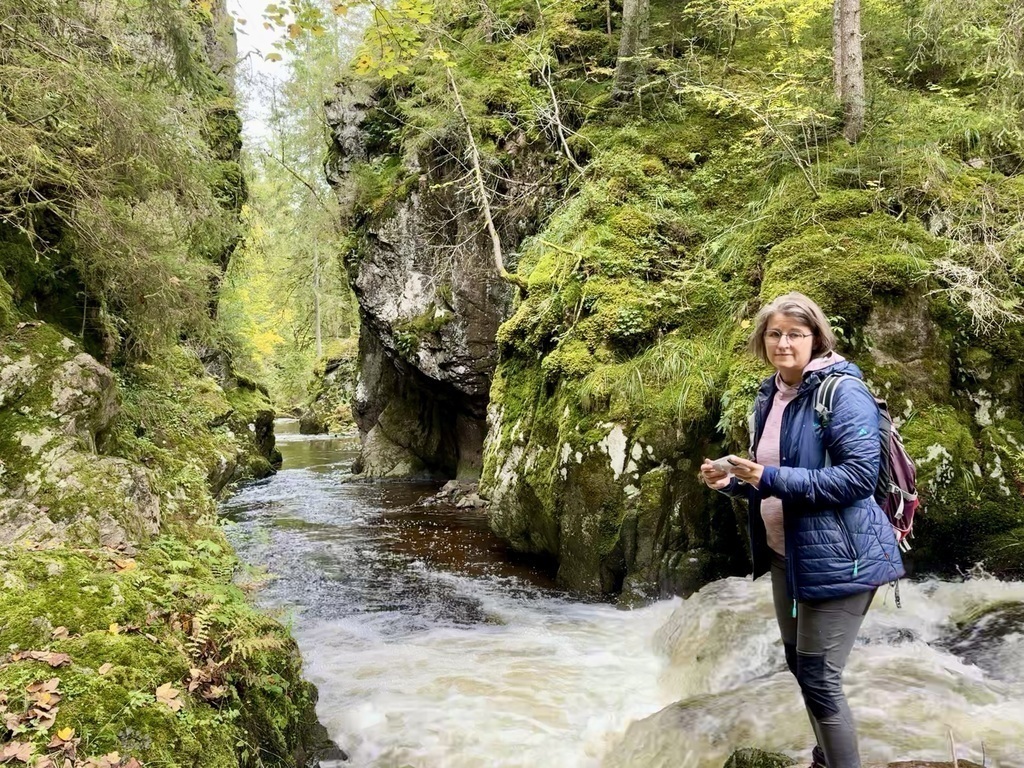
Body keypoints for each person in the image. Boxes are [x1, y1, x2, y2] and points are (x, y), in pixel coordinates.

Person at [700, 292, 905, 768]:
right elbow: (773, 482)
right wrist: (733, 483)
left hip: (843, 554)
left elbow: (855, 479)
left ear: (816, 338)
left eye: (795, 334)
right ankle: (825, 756)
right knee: (799, 665)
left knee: (820, 676)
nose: (784, 343)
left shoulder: (841, 392)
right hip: (786, 553)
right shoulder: (770, 396)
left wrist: (765, 477)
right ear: (762, 340)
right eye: (774, 334)